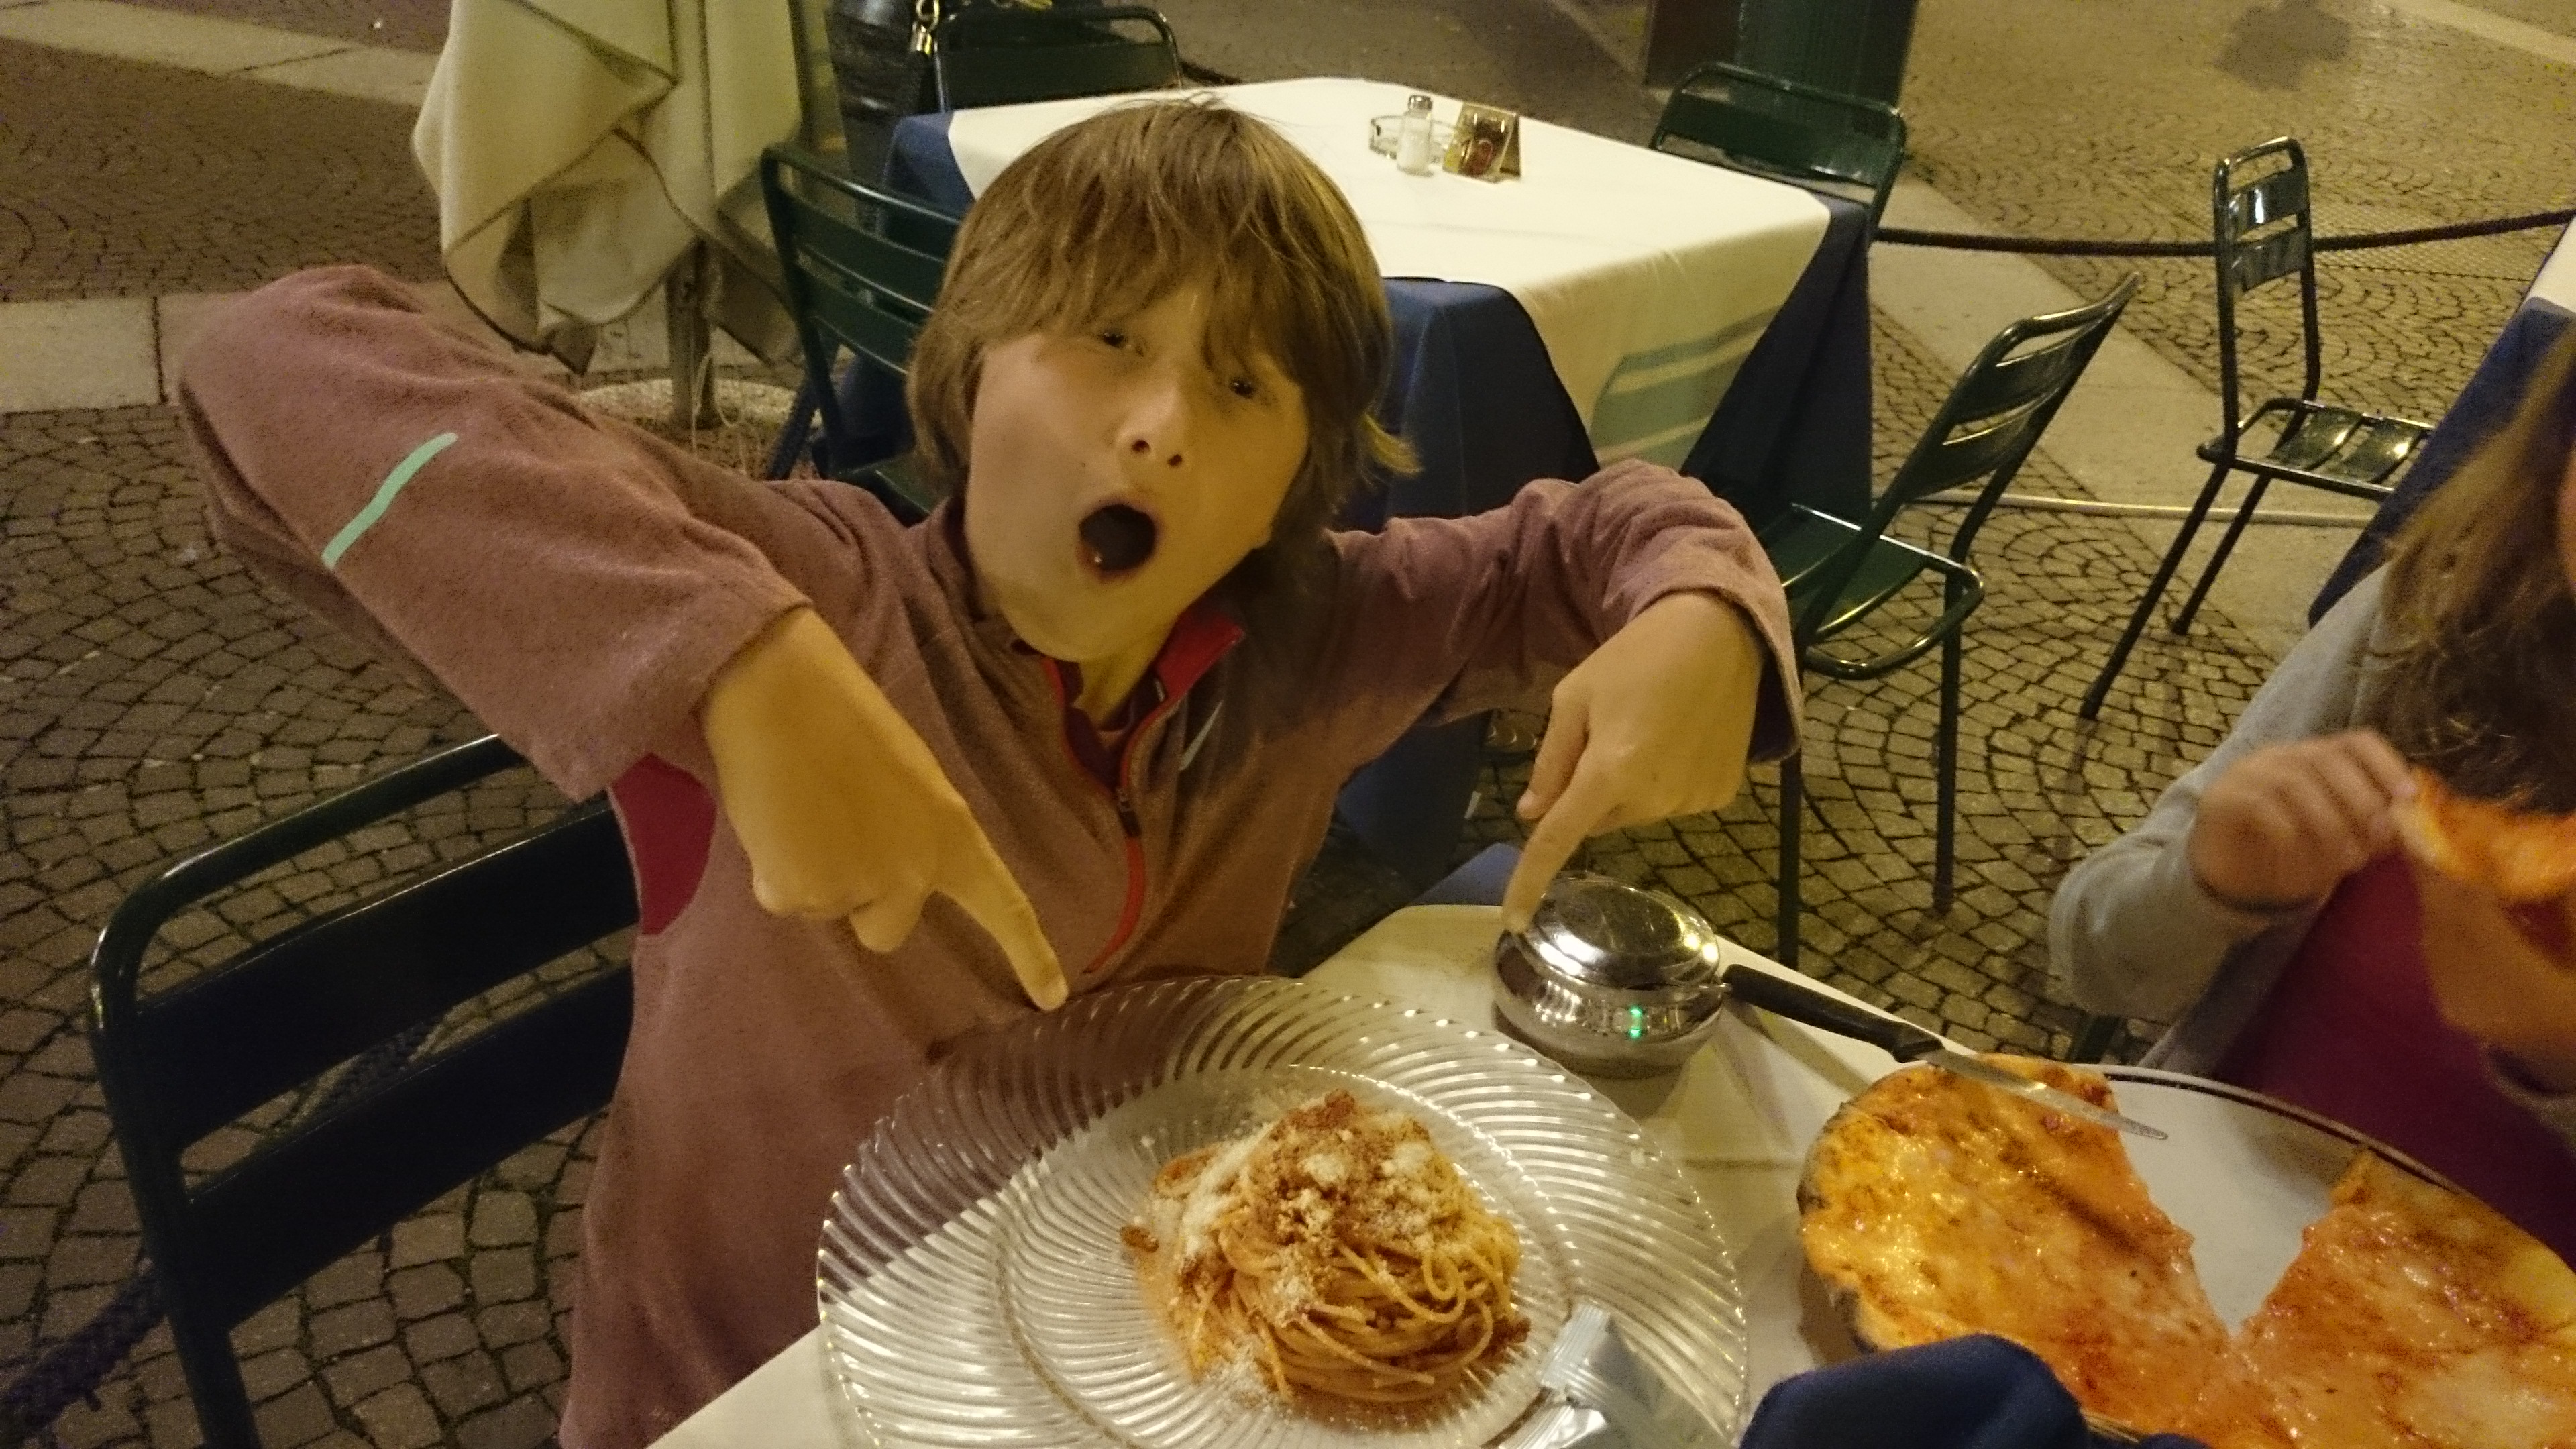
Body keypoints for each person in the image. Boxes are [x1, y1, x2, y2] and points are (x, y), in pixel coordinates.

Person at [177, 99, 1800, 1445]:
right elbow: (271, 359)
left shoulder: (1311, 640)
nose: (1159, 423)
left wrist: (1703, 607)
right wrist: (736, 664)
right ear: (967, 368)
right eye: (1106, 339)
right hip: (750, 1379)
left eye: (1242, 384)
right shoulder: (817, 594)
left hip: (1136, 1358)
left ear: (1292, 491)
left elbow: (1587, 539)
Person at [2051, 328, 2576, 1258]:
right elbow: (2096, 964)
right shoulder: (2435, 616)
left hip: (2520, 1338)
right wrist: (2208, 886)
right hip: (2173, 1243)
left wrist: (2560, 1056)